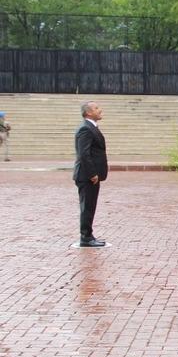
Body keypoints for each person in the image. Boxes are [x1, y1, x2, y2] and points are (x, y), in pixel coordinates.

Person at [74, 101, 109, 247]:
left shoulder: (91, 127)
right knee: (87, 206)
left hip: (91, 176)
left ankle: (88, 235)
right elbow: (84, 154)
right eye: (96, 108)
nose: (100, 110)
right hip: (87, 176)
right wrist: (92, 173)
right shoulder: (85, 129)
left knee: (90, 206)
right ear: (88, 113)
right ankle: (86, 237)